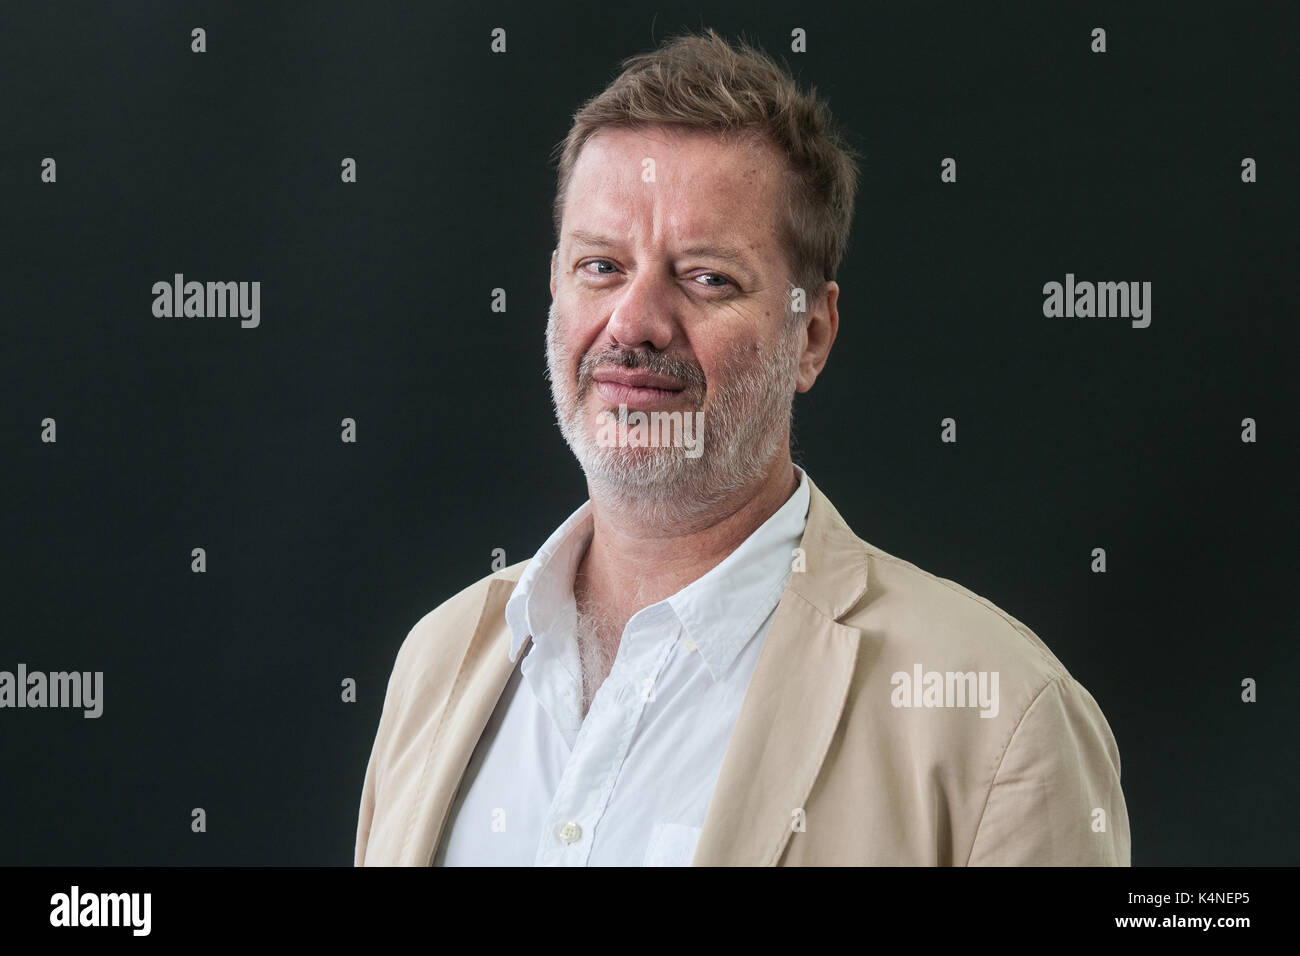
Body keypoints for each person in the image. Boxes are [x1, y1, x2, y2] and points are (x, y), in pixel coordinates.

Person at [355, 28, 1130, 866]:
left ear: (813, 336)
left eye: (707, 277)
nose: (635, 322)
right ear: (553, 289)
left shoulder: (1000, 719)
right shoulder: (438, 663)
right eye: (602, 266)